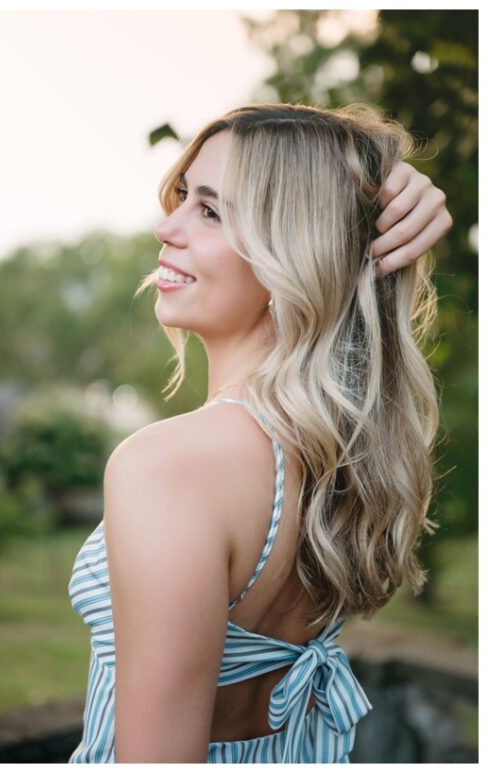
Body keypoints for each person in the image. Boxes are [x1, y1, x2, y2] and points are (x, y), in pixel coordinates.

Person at [68, 103, 452, 763]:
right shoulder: (337, 456)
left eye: (211, 211)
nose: (167, 226)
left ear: (292, 255)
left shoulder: (168, 465)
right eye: (184, 197)